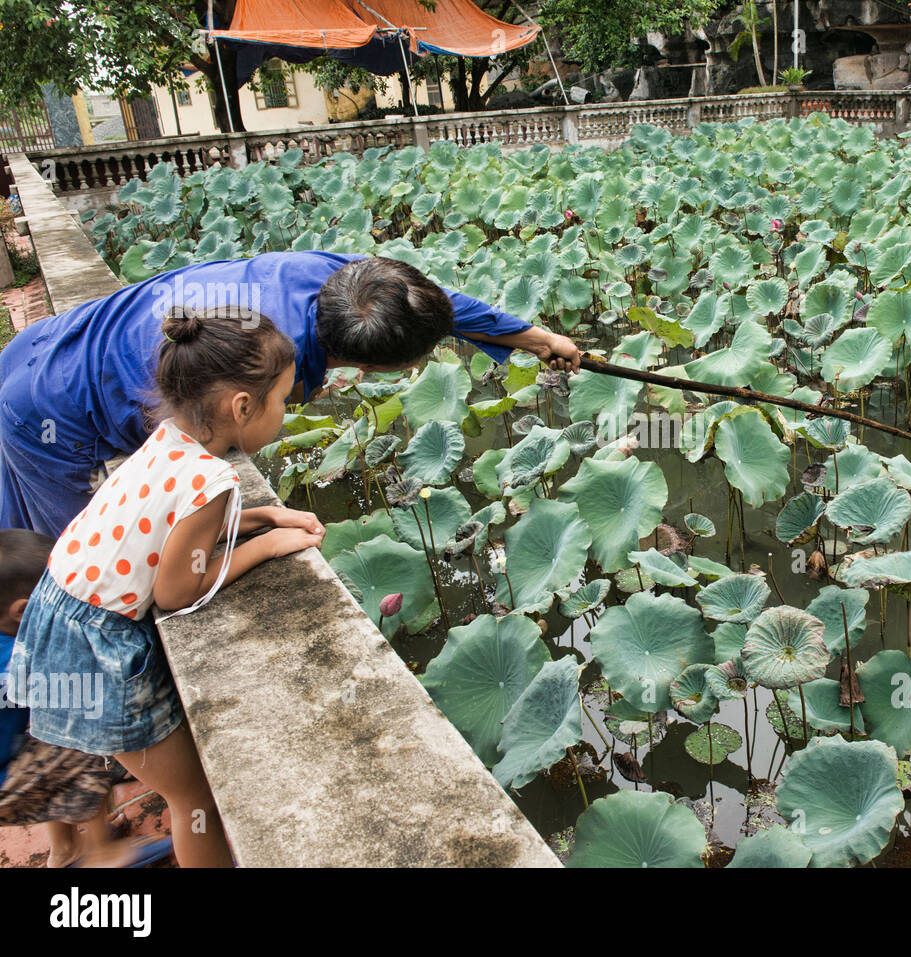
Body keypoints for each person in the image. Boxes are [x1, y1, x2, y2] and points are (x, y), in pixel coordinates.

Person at [7, 305, 326, 867]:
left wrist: (262, 518)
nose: (286, 409)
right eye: (281, 399)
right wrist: (265, 547)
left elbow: (169, 529)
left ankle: (69, 852)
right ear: (243, 406)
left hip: (60, 615)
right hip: (95, 649)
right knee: (195, 797)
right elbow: (179, 588)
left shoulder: (165, 442)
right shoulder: (215, 480)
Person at [0, 251, 582, 538]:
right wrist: (248, 527)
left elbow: (434, 302)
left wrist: (537, 338)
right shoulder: (258, 366)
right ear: (373, 365)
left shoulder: (342, 284)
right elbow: (192, 463)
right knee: (67, 562)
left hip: (46, 341)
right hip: (50, 410)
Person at [0, 529, 172, 867]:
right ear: (22, 611)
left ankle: (64, 850)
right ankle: (100, 853)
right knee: (82, 741)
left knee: (47, 739)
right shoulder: (17, 659)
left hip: (10, 758)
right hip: (7, 780)